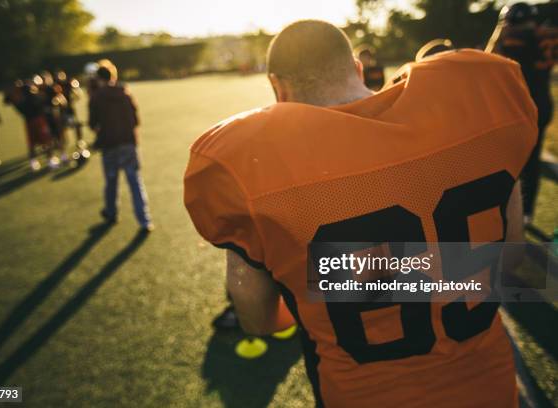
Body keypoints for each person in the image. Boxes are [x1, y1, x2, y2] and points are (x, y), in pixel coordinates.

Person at [184, 20, 536, 407]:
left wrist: (338, 283)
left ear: (276, 87)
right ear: (355, 67)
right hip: (490, 386)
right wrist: (432, 275)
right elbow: (512, 258)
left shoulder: (252, 165)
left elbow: (258, 319)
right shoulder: (478, 105)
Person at [486, 2, 556, 223]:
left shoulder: (513, 39)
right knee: (532, 157)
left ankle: (513, 210)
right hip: (542, 103)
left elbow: (488, 59)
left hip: (519, 105)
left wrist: (499, 31)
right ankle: (526, 213)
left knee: (512, 157)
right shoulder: (547, 35)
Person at [89, 60, 154, 233]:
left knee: (111, 181)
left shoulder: (96, 97)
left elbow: (92, 123)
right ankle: (144, 220)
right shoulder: (125, 93)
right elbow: (135, 121)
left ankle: (111, 212)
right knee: (134, 181)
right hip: (128, 143)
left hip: (109, 145)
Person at [4, 80, 53, 171]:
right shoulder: (14, 96)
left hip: (38, 118)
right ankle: (34, 161)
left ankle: (49, 160)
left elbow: (39, 98)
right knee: (33, 143)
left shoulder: (27, 90)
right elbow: (7, 101)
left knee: (45, 141)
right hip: (31, 120)